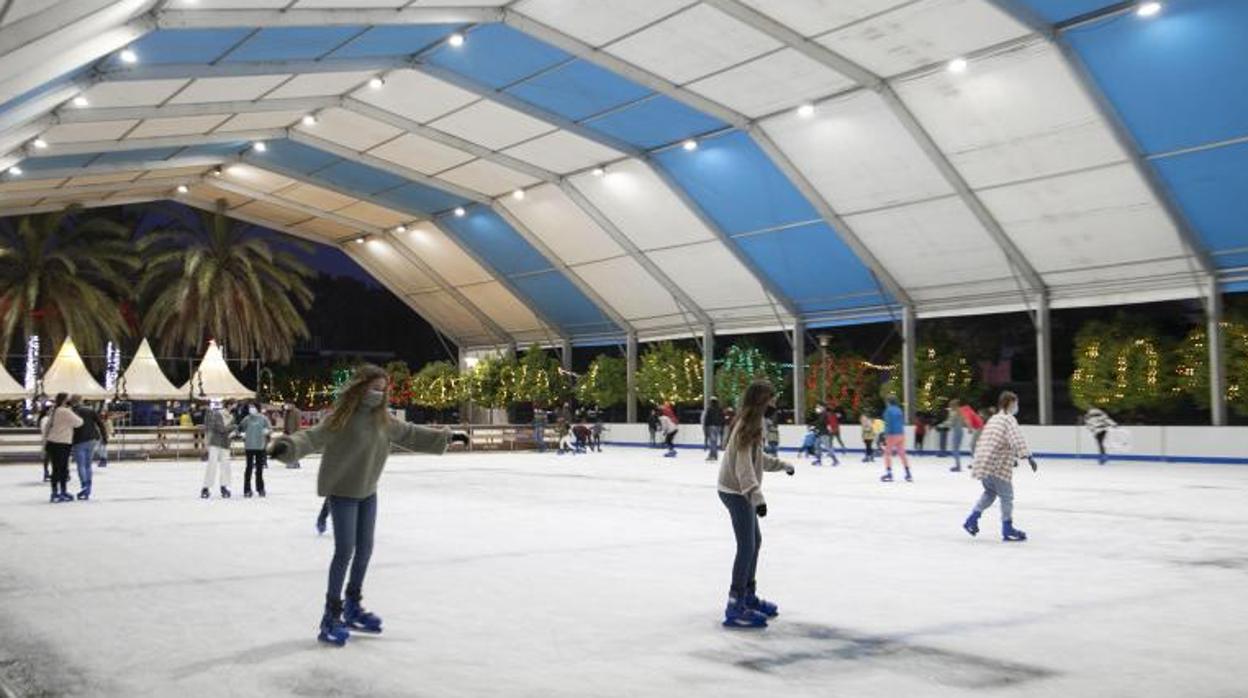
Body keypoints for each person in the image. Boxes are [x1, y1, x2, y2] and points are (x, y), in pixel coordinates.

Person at [267, 364, 465, 646]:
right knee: (344, 551)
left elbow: (411, 434)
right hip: (343, 492)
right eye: (374, 389)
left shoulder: (384, 420)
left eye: (383, 390)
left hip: (368, 493)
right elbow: (311, 437)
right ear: (360, 387)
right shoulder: (341, 417)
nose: (378, 395)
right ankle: (330, 616)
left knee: (365, 551)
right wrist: (286, 447)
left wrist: (447, 437)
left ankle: (352, 607)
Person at [716, 379, 796, 629]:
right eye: (771, 399)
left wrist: (781, 465)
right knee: (747, 546)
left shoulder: (754, 424)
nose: (775, 403)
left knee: (754, 543)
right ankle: (735, 604)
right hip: (735, 491)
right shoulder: (746, 427)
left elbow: (757, 460)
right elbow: (744, 468)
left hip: (742, 491)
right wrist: (757, 497)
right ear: (761, 401)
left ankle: (748, 596)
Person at [962, 391, 1036, 542]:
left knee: (990, 492)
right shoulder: (1008, 419)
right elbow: (1016, 438)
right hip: (997, 464)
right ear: (1009, 403)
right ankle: (1007, 528)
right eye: (1016, 403)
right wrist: (1028, 456)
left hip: (984, 463)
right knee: (1007, 497)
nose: (1017, 406)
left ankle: (972, 518)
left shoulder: (994, 419)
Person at [42, 393, 82, 503]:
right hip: (63, 443)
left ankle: (55, 492)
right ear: (65, 400)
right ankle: (63, 491)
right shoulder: (65, 411)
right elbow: (79, 422)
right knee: (63, 468)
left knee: (55, 468)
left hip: (52, 442)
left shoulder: (54, 411)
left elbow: (47, 426)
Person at [69, 396, 107, 500]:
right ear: (81, 401)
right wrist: (104, 437)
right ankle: (89, 486)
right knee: (88, 465)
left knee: (81, 465)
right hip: (92, 439)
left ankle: (84, 485)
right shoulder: (90, 410)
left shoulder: (72, 412)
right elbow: (100, 424)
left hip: (79, 440)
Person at [201, 400, 235, 499]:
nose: (234, 407)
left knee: (226, 466)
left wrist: (234, 431)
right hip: (215, 443)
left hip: (225, 443)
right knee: (212, 465)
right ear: (229, 405)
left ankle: (224, 486)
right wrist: (232, 427)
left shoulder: (231, 417)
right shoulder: (217, 414)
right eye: (233, 405)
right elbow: (220, 428)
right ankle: (206, 487)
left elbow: (231, 429)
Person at [238, 402, 271, 498]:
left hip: (260, 446)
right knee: (248, 468)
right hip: (249, 446)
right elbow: (240, 428)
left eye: (253, 407)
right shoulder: (247, 419)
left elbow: (269, 428)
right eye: (250, 407)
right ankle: (247, 489)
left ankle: (260, 488)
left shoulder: (263, 418)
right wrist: (242, 434)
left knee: (259, 469)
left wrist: (267, 431)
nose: (251, 409)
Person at [879, 396, 912, 483]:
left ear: (888, 402)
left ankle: (889, 473)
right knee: (902, 454)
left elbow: (888, 423)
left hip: (892, 434)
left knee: (887, 454)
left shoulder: (888, 410)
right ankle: (908, 473)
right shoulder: (899, 410)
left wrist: (885, 434)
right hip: (901, 433)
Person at [943, 399, 967, 472]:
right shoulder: (960, 412)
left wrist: (943, 424)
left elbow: (951, 422)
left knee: (955, 449)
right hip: (959, 431)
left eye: (950, 405)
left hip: (957, 431)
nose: (949, 407)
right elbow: (963, 421)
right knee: (956, 449)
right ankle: (958, 465)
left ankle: (958, 466)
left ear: (953, 405)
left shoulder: (954, 412)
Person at [702, 396, 725, 462]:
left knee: (712, 442)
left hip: (711, 426)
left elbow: (707, 418)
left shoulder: (710, 409)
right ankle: (713, 455)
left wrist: (706, 427)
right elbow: (722, 418)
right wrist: (722, 426)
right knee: (715, 441)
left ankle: (713, 455)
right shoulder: (720, 409)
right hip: (718, 426)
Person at [283, 403, 303, 468]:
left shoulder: (297, 412)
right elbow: (285, 422)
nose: (286, 406)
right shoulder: (286, 412)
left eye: (287, 404)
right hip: (287, 432)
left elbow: (298, 423)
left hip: (294, 432)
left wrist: (297, 433)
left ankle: (295, 462)